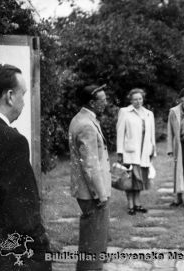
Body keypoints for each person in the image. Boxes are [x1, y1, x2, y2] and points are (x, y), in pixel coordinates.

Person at [0, 64, 51, 270]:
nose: (24, 102)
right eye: (23, 95)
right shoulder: (12, 141)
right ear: (9, 96)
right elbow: (22, 209)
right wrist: (40, 246)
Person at [68, 84, 111, 271]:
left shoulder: (81, 118)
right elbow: (90, 164)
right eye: (103, 100)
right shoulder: (86, 124)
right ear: (92, 103)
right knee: (94, 238)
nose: (106, 102)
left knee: (93, 235)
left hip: (85, 189)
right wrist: (100, 194)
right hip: (90, 191)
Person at [116, 88, 156, 215]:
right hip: (130, 152)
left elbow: (152, 135)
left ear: (143, 99)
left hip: (144, 152)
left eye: (140, 99)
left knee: (140, 180)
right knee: (130, 180)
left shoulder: (149, 113)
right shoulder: (124, 112)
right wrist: (120, 152)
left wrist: (152, 150)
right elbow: (120, 133)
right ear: (130, 100)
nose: (138, 101)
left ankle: (138, 204)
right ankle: (130, 205)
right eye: (135, 99)